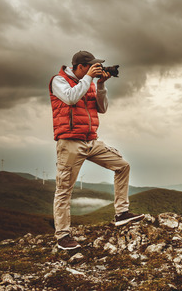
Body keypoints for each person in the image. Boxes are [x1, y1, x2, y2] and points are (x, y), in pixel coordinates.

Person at [48, 50, 144, 250]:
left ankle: (121, 213)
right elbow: (71, 99)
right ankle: (63, 235)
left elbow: (102, 108)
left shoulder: (90, 83)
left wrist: (100, 85)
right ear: (80, 66)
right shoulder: (59, 81)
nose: (95, 69)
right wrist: (90, 78)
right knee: (64, 189)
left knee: (122, 166)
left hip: (91, 140)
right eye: (91, 66)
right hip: (70, 142)